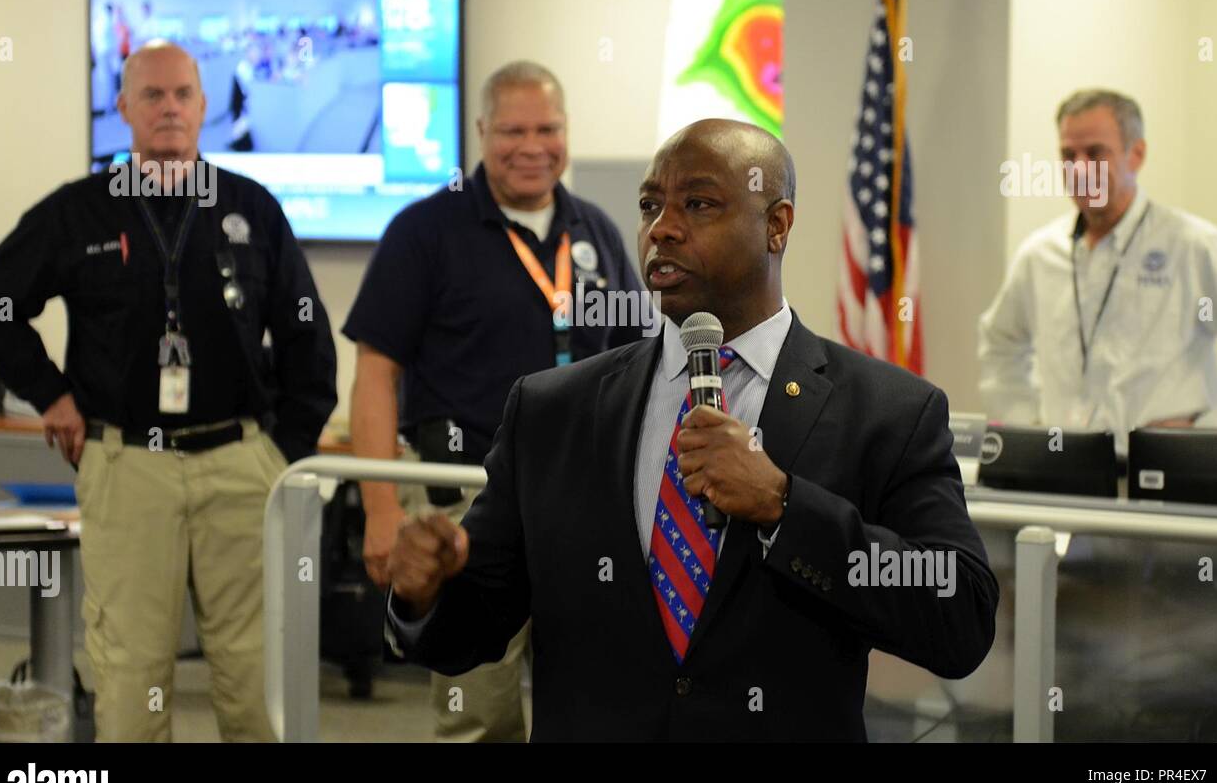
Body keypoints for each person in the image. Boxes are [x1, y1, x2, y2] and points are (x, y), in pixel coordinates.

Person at [383, 119, 998, 741]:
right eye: (651, 205)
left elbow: (960, 618)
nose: (662, 229)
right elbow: (474, 629)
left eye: (698, 204)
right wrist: (425, 592)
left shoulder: (888, 411)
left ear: (777, 225)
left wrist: (785, 509)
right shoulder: (551, 411)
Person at [0, 41, 337, 742]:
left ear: (204, 107)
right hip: (128, 466)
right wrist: (52, 396)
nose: (169, 108)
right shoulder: (80, 213)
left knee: (256, 682)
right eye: (152, 96)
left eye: (182, 95)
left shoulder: (251, 208)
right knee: (133, 687)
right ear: (123, 108)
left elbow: (308, 340)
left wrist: (281, 455)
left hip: (241, 467)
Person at [345, 60, 646, 742]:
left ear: (566, 132)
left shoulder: (594, 229)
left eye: (547, 128)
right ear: (481, 131)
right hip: (466, 502)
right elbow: (374, 372)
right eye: (512, 130)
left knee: (592, 699)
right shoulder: (425, 230)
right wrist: (381, 507)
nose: (532, 145)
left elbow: (638, 365)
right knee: (477, 711)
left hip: (586, 504)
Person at [978, 89, 1217, 451]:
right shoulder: (1039, 255)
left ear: (1136, 154)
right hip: (1062, 472)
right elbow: (999, 344)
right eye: (1068, 155)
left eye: (1095, 153)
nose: (1078, 168)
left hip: (1165, 474)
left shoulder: (1189, 245)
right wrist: (1026, 423)